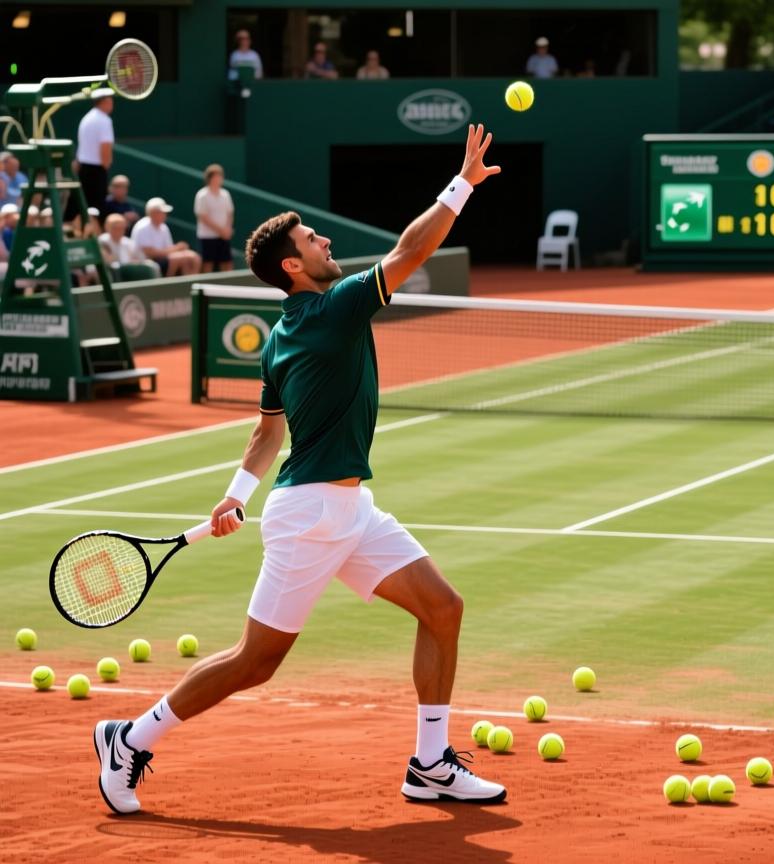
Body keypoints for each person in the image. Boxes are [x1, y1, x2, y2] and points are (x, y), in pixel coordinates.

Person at [92, 123, 507, 816]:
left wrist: (234, 496)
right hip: (311, 516)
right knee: (255, 662)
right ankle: (130, 738)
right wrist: (462, 182)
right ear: (292, 266)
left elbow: (265, 432)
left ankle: (430, 763)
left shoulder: (284, 334)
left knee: (443, 608)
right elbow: (412, 250)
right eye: (314, 241)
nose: (327, 244)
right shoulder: (336, 308)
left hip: (348, 510)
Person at [69, 88, 114, 223]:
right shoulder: (104, 120)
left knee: (80, 206)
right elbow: (105, 146)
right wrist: (105, 167)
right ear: (105, 102)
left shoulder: (87, 118)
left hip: (83, 169)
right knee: (96, 209)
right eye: (110, 100)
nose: (112, 103)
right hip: (96, 171)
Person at [130, 197, 202, 276]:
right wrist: (176, 248)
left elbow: (168, 249)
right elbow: (150, 253)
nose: (165, 215)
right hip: (144, 263)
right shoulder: (142, 227)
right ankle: (167, 285)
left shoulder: (164, 227)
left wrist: (178, 249)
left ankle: (189, 284)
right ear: (153, 213)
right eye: (162, 212)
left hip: (161, 260)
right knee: (176, 259)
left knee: (193, 257)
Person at [195, 164, 235, 273]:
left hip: (224, 236)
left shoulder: (225, 194)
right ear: (210, 178)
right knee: (208, 263)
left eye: (220, 176)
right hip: (208, 237)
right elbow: (203, 216)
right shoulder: (202, 195)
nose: (219, 179)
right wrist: (220, 230)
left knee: (227, 263)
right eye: (216, 176)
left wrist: (227, 229)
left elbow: (230, 213)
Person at [98, 213, 161, 281]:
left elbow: (141, 259)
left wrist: (136, 262)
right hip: (113, 274)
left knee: (153, 265)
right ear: (107, 227)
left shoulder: (129, 243)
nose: (119, 231)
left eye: (121, 228)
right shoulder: (102, 241)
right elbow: (107, 261)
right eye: (115, 228)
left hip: (131, 273)